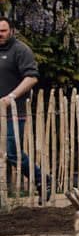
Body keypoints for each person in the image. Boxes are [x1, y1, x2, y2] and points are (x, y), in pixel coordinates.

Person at [0, 18, 46, 197]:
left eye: (3, 31)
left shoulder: (20, 50)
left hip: (14, 111)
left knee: (12, 152)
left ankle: (43, 180)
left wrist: (11, 96)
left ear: (11, 30)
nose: (0, 35)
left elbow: (32, 77)